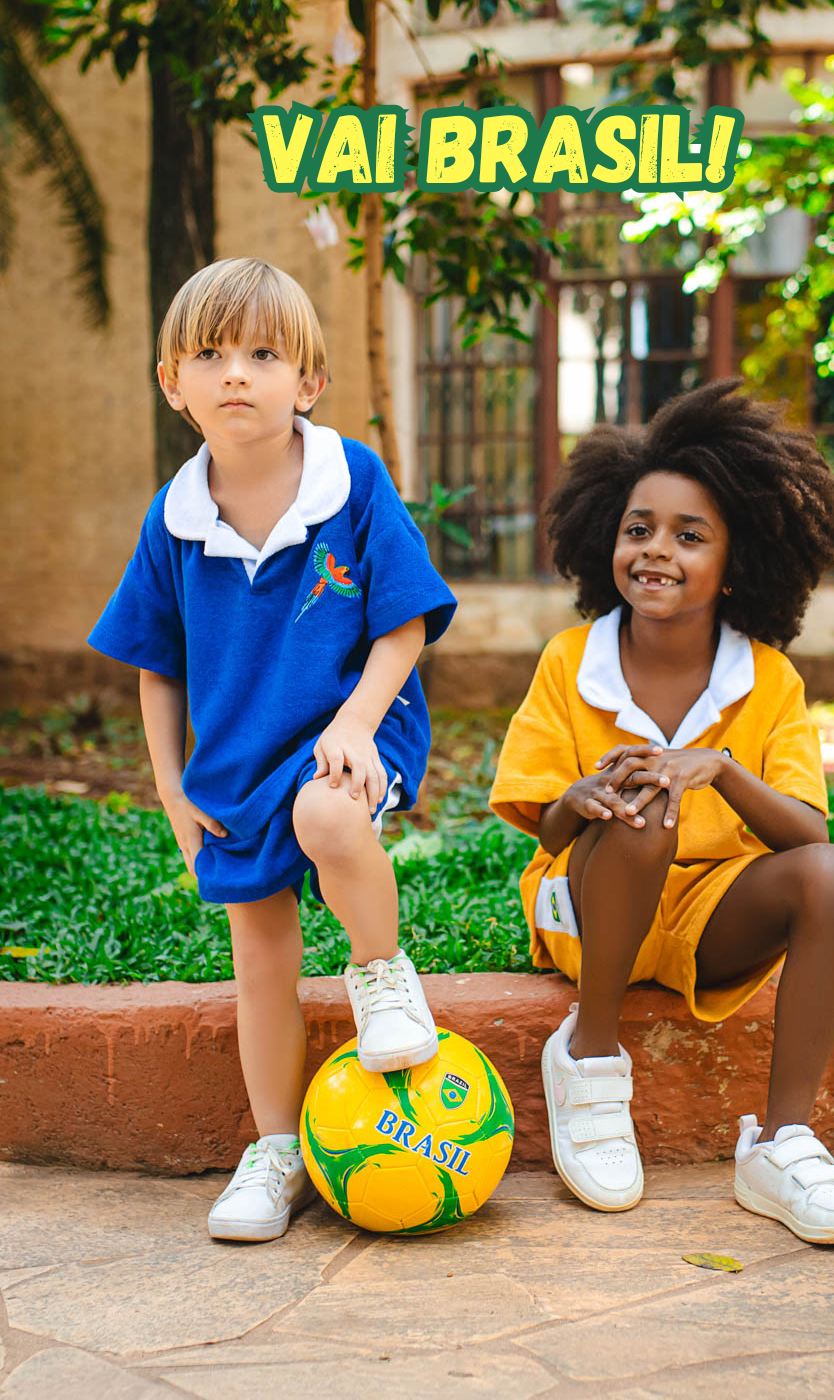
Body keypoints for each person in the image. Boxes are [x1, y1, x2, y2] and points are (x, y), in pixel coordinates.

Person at [89, 257, 456, 1242]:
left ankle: (380, 971)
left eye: (262, 353)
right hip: (234, 758)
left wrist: (356, 722)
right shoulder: (173, 520)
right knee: (259, 955)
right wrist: (173, 790)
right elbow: (157, 666)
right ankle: (276, 1149)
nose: (236, 373)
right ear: (173, 384)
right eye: (210, 354)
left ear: (309, 381)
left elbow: (404, 622)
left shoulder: (352, 480)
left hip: (353, 720)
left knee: (328, 812)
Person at [489, 379, 834, 1245]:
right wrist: (577, 799)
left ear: (737, 563)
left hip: (709, 918)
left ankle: (781, 1145)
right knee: (645, 806)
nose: (656, 551)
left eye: (689, 535)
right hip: (593, 910)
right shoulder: (570, 661)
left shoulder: (768, 679)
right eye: (639, 529)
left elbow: (809, 836)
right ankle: (590, 1055)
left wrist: (723, 770)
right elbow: (543, 827)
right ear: (607, 537)